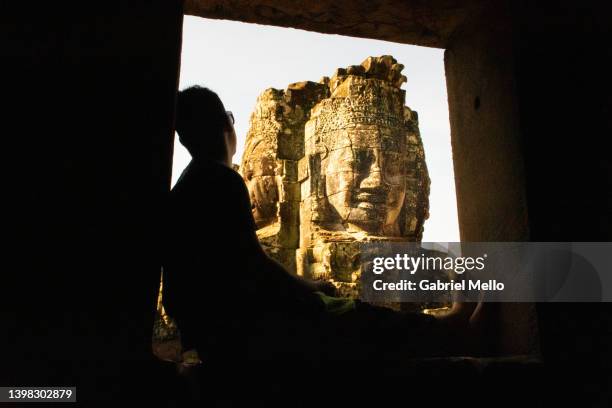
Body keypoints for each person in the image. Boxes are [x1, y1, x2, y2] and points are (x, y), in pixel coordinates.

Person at [162, 86, 477, 399]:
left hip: (216, 335)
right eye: (360, 161)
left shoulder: (186, 187)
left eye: (395, 165)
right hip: (249, 333)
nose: (377, 178)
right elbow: (253, 266)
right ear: (226, 125)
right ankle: (455, 330)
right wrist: (309, 290)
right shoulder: (219, 180)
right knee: (362, 320)